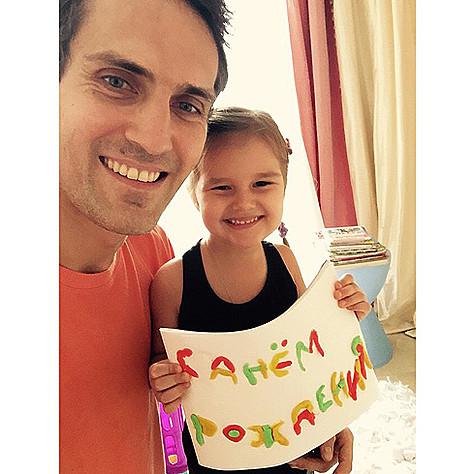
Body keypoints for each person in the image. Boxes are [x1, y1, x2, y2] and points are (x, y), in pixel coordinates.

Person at [149, 107, 371, 473]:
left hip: (293, 435)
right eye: (222, 187)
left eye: (262, 184)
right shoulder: (172, 281)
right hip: (220, 453)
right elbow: (162, 358)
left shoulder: (285, 260)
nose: (244, 203)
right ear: (194, 193)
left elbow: (311, 349)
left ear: (284, 187)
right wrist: (162, 375)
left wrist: (344, 316)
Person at [59, 0, 231, 472]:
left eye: (188, 105)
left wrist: (306, 413)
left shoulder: (153, 250)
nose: (154, 140)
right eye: (116, 82)